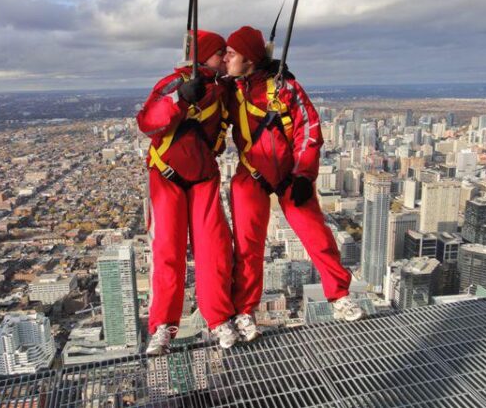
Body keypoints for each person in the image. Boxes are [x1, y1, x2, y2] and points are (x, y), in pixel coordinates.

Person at [224, 26, 364, 341]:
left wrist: (303, 174)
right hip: (252, 174)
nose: (225, 59)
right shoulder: (228, 90)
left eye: (231, 54)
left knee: (316, 235)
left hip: (290, 175)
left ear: (249, 59)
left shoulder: (285, 89)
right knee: (247, 247)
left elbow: (309, 128)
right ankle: (245, 312)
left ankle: (339, 296)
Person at [137, 30, 239, 355]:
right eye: (219, 52)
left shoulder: (223, 90)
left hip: (203, 178)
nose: (225, 58)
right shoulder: (173, 83)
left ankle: (219, 318)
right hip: (167, 178)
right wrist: (179, 97)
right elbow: (148, 122)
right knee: (168, 251)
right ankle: (163, 326)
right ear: (203, 55)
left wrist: (269, 73)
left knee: (215, 251)